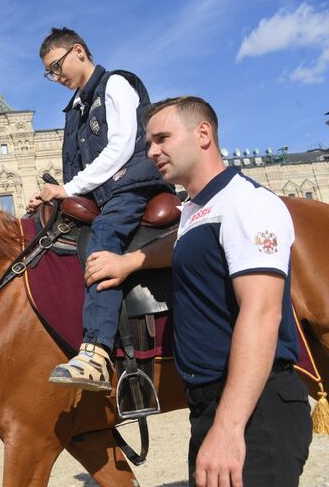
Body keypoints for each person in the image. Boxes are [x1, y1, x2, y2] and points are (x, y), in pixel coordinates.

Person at [84, 96, 312, 486]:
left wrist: (228, 428)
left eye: (162, 138)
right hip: (212, 408)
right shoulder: (196, 210)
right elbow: (176, 245)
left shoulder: (247, 203)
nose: (152, 151)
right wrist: (130, 261)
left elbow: (262, 314)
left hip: (254, 408)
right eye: (148, 142)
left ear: (203, 133)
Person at [27, 27, 171, 390]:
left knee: (104, 234)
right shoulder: (74, 109)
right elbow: (74, 172)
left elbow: (122, 146)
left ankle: (95, 351)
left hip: (134, 183)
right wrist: (52, 197)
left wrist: (68, 188)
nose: (56, 77)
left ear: (79, 51)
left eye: (57, 66)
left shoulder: (116, 84)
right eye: (50, 72)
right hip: (103, 192)